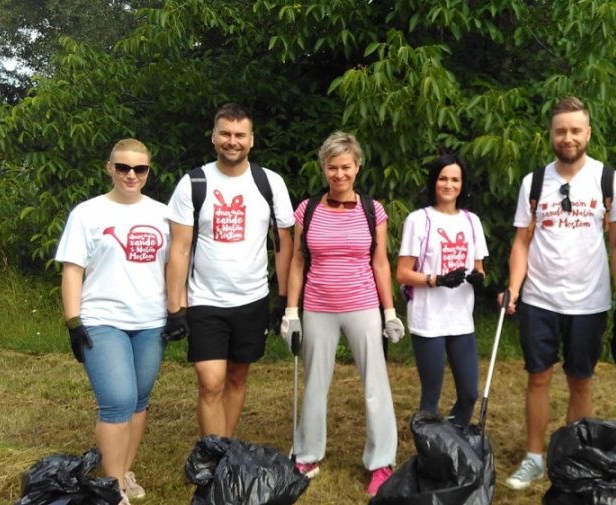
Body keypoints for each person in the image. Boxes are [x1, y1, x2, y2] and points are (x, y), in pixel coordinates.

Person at [501, 96, 616, 490]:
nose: (568, 137)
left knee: (581, 381)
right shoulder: (535, 182)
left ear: (588, 133)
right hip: (539, 299)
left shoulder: (608, 180)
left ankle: (573, 458)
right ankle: (534, 457)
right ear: (551, 135)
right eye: (561, 130)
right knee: (537, 378)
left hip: (589, 302)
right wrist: (514, 287)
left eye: (576, 130)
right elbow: (522, 241)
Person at [281, 131, 403, 496]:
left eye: (345, 167)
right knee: (315, 384)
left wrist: (390, 311)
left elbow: (380, 262)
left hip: (363, 305)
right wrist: (291, 311)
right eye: (332, 167)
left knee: (375, 386)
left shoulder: (372, 209)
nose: (339, 175)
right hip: (318, 306)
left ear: (357, 167)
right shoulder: (308, 209)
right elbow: (299, 261)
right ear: (324, 168)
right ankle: (307, 454)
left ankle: (381, 462)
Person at [164, 103, 295, 437]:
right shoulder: (193, 183)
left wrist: (284, 301)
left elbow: (283, 244)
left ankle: (224, 451)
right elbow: (178, 249)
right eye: (225, 133)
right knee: (211, 383)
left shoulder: (270, 183)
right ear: (213, 137)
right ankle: (213, 454)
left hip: (252, 300)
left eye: (240, 135)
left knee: (237, 379)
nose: (232, 141)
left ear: (252, 139)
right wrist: (175, 307)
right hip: (205, 300)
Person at [55, 139, 169, 504]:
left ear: (149, 171)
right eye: (123, 168)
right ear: (109, 168)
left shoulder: (164, 215)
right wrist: (73, 322)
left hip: (151, 321)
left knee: (138, 401)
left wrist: (179, 312)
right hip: (102, 319)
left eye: (140, 169)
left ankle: (124, 471)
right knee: (117, 401)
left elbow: (176, 266)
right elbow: (72, 271)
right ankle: (112, 486)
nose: (131, 175)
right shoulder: (87, 214)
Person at [395, 153, 489, 428]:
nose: (449, 185)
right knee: (431, 395)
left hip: (461, 318)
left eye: (455, 179)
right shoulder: (419, 220)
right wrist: (436, 280)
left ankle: (451, 440)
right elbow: (402, 273)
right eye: (443, 178)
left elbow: (479, 267)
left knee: (470, 392)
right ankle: (427, 450)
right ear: (434, 182)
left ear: (463, 183)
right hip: (429, 318)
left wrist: (477, 278)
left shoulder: (472, 221)